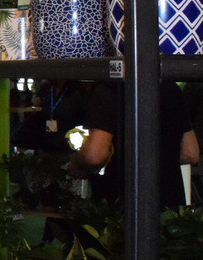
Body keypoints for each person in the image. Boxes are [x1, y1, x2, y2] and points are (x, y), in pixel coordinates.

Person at [66, 80, 200, 208]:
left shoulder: (109, 89)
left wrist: (74, 165)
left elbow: (94, 155)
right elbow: (190, 153)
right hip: (169, 206)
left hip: (121, 206)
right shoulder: (171, 88)